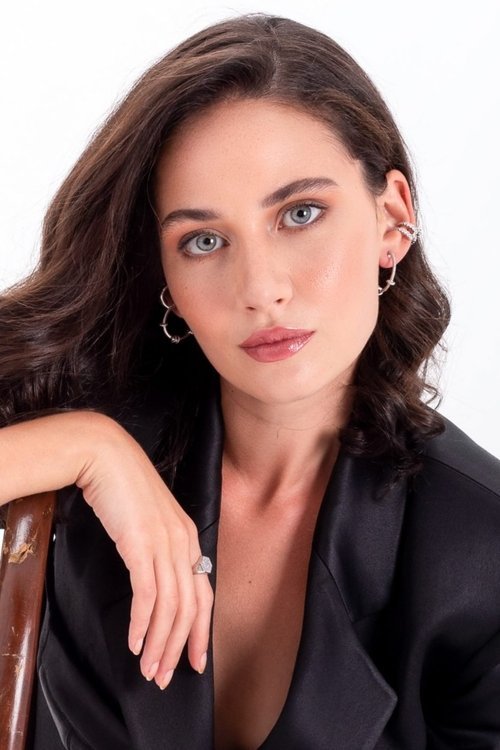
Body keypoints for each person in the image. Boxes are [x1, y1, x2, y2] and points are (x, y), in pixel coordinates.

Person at [1, 11, 499, 750]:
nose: (261, 289)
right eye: (204, 240)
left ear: (393, 218)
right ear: (166, 277)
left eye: (301, 213)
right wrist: (89, 447)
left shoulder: (478, 546)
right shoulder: (91, 466)